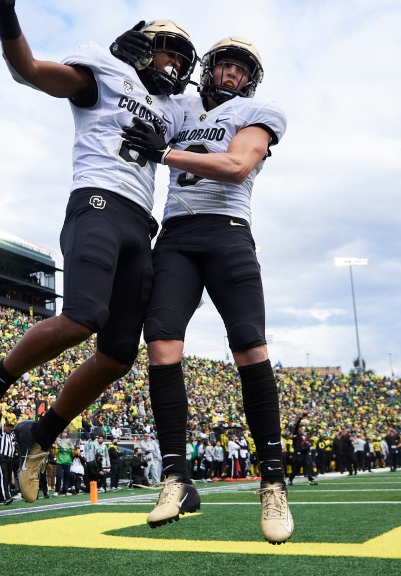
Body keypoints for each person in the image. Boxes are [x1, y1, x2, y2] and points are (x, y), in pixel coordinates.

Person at [0, 1, 196, 507]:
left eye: (180, 58)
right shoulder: (105, 72)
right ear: (144, 49)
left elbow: (212, 132)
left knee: (120, 353)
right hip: (98, 203)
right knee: (83, 316)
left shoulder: (175, 110)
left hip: (140, 225)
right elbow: (31, 71)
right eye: (165, 52)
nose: (172, 65)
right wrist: (7, 16)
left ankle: (40, 435)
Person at [120, 34, 289, 540]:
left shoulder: (259, 111)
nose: (232, 76)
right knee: (162, 345)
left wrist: (166, 155)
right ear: (208, 67)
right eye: (225, 66)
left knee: (250, 347)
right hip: (176, 238)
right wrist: (126, 61)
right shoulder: (181, 106)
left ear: (251, 79)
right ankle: (174, 477)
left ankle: (274, 481)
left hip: (228, 234)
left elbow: (238, 167)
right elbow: (135, 97)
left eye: (241, 70)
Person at [0, 424, 16, 504]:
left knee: (7, 478)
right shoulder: (1, 434)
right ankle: (6, 497)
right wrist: (0, 415)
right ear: (4, 427)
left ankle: (1, 497)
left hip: (10, 458)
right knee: (4, 478)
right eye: (8, 426)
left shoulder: (12, 435)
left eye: (11, 427)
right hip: (2, 458)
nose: (9, 428)